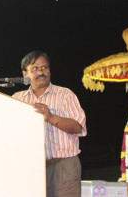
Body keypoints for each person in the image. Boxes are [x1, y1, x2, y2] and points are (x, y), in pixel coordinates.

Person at [13, 50, 87, 197]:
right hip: (29, 169)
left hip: (62, 167)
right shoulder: (17, 99)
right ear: (25, 75)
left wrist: (51, 117)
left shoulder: (65, 94)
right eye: (34, 69)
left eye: (44, 67)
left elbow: (78, 127)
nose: (41, 71)